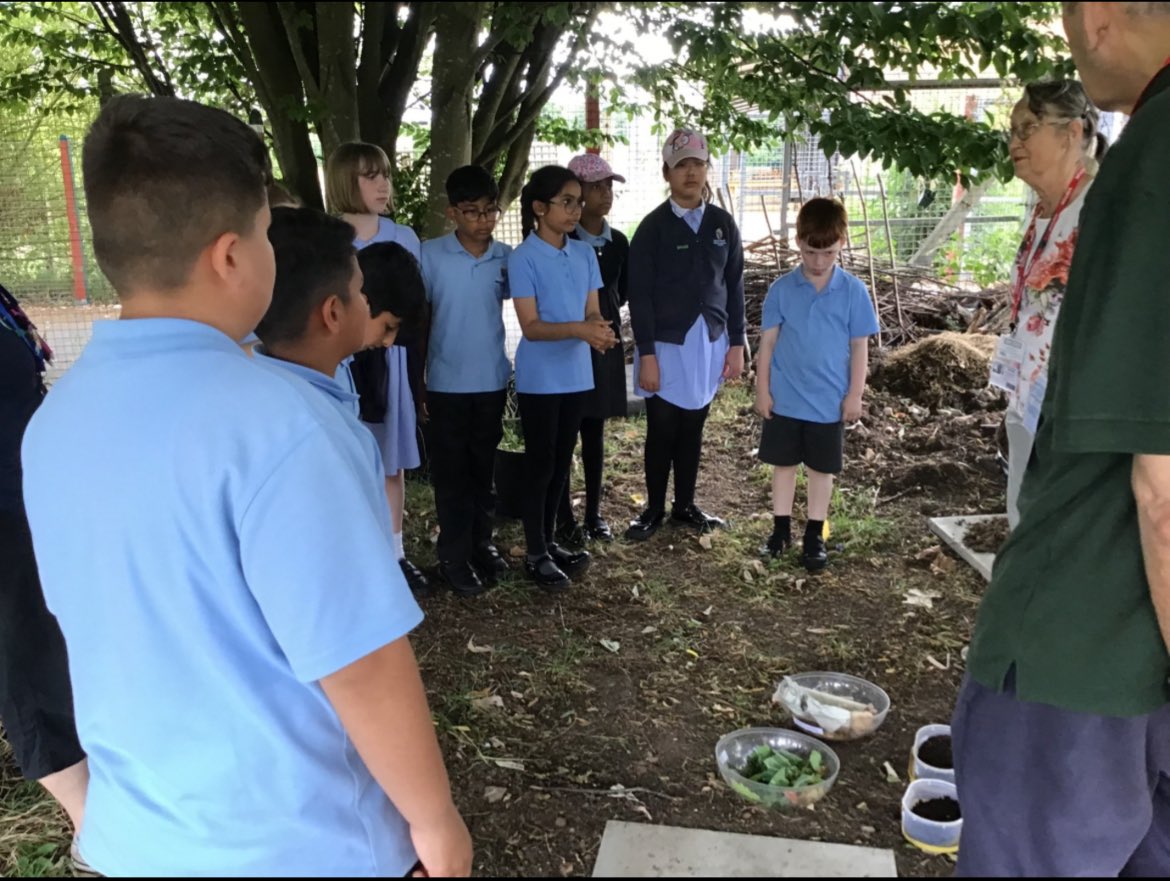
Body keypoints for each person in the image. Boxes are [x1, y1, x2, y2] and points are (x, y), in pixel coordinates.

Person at [20, 95, 472, 877]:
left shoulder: (54, 420)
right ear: (231, 256)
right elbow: (361, 662)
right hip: (305, 846)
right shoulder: (282, 426)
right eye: (267, 230)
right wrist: (435, 820)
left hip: (143, 840)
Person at [953, 3, 1170, 875]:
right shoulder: (1061, 206)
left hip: (1089, 627)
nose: (1014, 146)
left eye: (1026, 130)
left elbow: (1159, 486)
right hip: (1060, 444)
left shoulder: (1137, 173)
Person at [0, 283, 90, 870]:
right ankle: (92, 825)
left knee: (57, 642)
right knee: (26, 661)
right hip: (4, 514)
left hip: (33, 496)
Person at [624, 128, 747, 541]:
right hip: (665, 344)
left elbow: (734, 285)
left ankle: (685, 506)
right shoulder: (652, 228)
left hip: (709, 341)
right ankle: (653, 509)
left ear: (707, 168)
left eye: (698, 164)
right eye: (681, 166)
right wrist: (646, 353)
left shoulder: (722, 224)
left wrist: (736, 343)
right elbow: (639, 296)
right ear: (667, 173)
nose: (691, 173)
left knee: (694, 426)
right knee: (662, 428)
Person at [991, 80, 1104, 529]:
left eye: (1027, 128)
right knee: (1024, 521)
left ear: (1071, 133)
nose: (1014, 143)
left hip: (1075, 409)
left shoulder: (1099, 208)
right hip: (1028, 398)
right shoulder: (1044, 210)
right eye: (1012, 131)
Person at [325, 142, 430, 594]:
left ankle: (396, 554)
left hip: (393, 360)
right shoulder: (327, 237)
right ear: (345, 181)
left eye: (385, 174)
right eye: (370, 176)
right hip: (343, 363)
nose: (383, 184)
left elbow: (414, 308)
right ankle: (356, 554)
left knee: (390, 461)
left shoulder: (404, 236)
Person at [754, 198, 879, 572]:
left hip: (828, 401)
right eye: (810, 252)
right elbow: (767, 344)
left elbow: (859, 347)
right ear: (798, 242)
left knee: (821, 470)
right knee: (783, 465)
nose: (819, 261)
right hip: (785, 398)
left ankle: (814, 534)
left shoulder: (854, 291)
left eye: (828, 252)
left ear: (842, 243)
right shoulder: (781, 289)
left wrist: (854, 394)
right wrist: (763, 389)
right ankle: (780, 530)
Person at [508, 165, 616, 591]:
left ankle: (549, 541)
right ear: (539, 208)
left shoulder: (584, 254)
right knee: (540, 463)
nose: (575, 210)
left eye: (578, 202)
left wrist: (599, 328)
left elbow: (592, 309)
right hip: (539, 378)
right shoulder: (523, 258)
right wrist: (581, 330)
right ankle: (535, 552)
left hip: (576, 373)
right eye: (566, 202)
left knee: (559, 462)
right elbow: (531, 327)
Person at [420, 165, 512, 598]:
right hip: (444, 384)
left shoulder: (506, 258)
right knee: (452, 474)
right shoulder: (430, 256)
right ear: (452, 212)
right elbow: (420, 321)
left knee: (483, 469)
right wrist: (417, 382)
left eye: (490, 210)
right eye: (472, 211)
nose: (483, 220)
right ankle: (453, 556)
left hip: (491, 379)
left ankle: (481, 543)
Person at [554, 153, 630, 545]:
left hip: (604, 343)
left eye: (608, 186)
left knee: (595, 429)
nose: (605, 194)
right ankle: (562, 514)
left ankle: (594, 514)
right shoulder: (563, 242)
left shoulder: (619, 243)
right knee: (566, 429)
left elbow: (622, 291)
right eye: (596, 187)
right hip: (570, 344)